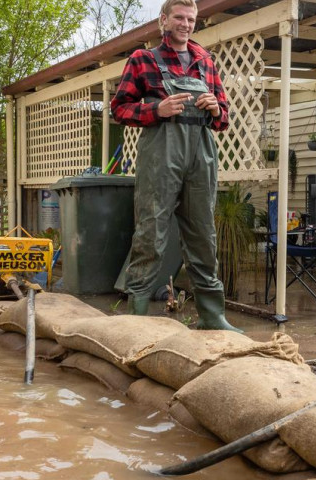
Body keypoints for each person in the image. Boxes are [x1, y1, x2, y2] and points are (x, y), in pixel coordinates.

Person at [111, 0, 241, 332]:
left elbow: (224, 117)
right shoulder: (143, 59)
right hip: (161, 151)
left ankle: (212, 316)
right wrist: (156, 110)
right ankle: (136, 317)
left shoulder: (205, 61)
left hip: (201, 151)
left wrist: (215, 108)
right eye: (179, 18)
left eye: (191, 19)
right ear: (164, 20)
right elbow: (119, 109)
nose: (186, 24)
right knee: (151, 232)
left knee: (202, 234)